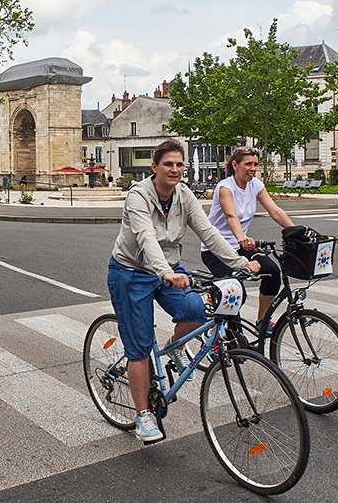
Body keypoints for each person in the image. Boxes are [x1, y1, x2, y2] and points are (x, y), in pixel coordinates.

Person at [108, 139, 261, 443]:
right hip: (132, 272)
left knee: (195, 310)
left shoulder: (184, 195)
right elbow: (145, 238)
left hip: (169, 269)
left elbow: (209, 233)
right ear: (154, 167)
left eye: (179, 164)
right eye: (168, 164)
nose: (175, 170)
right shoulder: (139, 196)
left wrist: (240, 262)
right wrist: (164, 271)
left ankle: (176, 344)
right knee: (139, 348)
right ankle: (143, 416)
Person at [200, 146, 295, 333]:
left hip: (239, 246)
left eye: (255, 164)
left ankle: (262, 320)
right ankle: (213, 338)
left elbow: (274, 211)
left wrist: (295, 231)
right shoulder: (225, 187)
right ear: (235, 165)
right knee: (235, 292)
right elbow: (230, 215)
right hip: (216, 248)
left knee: (272, 272)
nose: (253, 168)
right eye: (248, 164)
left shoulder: (256, 185)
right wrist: (241, 237)